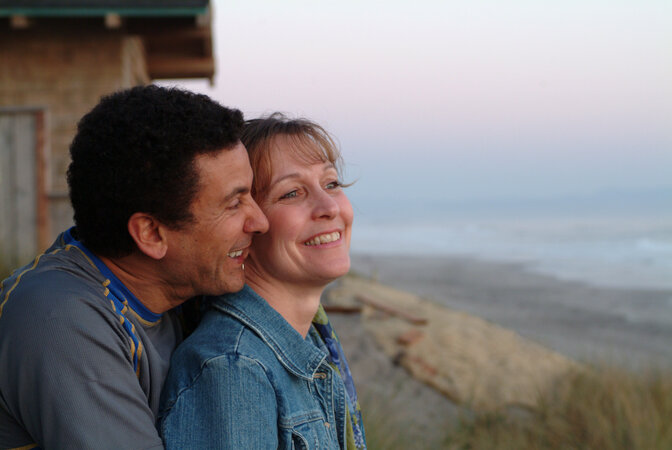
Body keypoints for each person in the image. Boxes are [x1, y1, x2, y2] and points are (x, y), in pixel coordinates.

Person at [0, 85, 268, 449]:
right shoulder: (58, 320)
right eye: (234, 204)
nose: (260, 221)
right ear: (151, 234)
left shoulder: (173, 294)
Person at [158, 114, 367, 449]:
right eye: (292, 193)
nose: (329, 206)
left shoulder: (311, 341)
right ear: (247, 224)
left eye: (331, 184)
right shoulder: (234, 370)